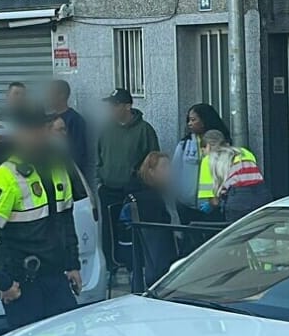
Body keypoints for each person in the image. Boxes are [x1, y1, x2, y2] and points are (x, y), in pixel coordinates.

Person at [0, 107, 81, 329]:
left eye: (43, 129)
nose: (40, 135)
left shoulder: (58, 168)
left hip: (56, 279)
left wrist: (73, 264)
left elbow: (66, 221)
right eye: (33, 131)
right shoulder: (5, 177)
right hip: (24, 285)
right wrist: (4, 281)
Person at [95, 88, 160, 269]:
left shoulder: (144, 130)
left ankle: (135, 269)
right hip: (108, 190)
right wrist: (100, 177)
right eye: (111, 105)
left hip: (133, 192)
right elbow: (98, 156)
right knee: (109, 233)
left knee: (131, 234)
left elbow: (154, 160)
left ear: (127, 106)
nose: (112, 109)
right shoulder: (106, 129)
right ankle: (111, 268)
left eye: (115, 105)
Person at [123, 151, 178, 292]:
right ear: (151, 171)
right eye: (164, 168)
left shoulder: (153, 194)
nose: (169, 172)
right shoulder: (149, 199)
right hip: (153, 267)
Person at [198, 131, 272, 222]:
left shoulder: (208, 160)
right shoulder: (244, 152)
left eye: (203, 151)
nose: (203, 154)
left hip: (238, 202)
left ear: (208, 146)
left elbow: (215, 202)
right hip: (263, 195)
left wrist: (209, 206)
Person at [172, 104, 228, 221]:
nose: (189, 124)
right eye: (188, 120)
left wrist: (217, 202)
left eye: (193, 120)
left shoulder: (222, 144)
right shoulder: (184, 144)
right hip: (186, 206)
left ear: (204, 120)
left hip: (213, 206)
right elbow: (175, 172)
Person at [47, 80, 89, 177]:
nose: (48, 97)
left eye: (51, 93)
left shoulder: (75, 120)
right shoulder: (48, 118)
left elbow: (79, 154)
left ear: (61, 95)